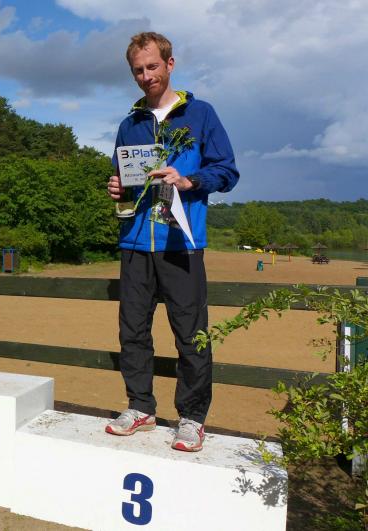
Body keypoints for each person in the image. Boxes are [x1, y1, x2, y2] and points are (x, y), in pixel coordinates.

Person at [105, 32, 239, 451]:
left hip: (182, 241)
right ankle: (140, 406)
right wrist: (116, 188)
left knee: (191, 335)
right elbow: (123, 179)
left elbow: (227, 171)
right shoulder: (129, 124)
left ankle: (192, 417)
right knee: (132, 332)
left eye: (152, 67)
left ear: (170, 64)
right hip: (135, 243)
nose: (146, 76)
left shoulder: (201, 114)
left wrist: (189, 180)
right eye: (138, 70)